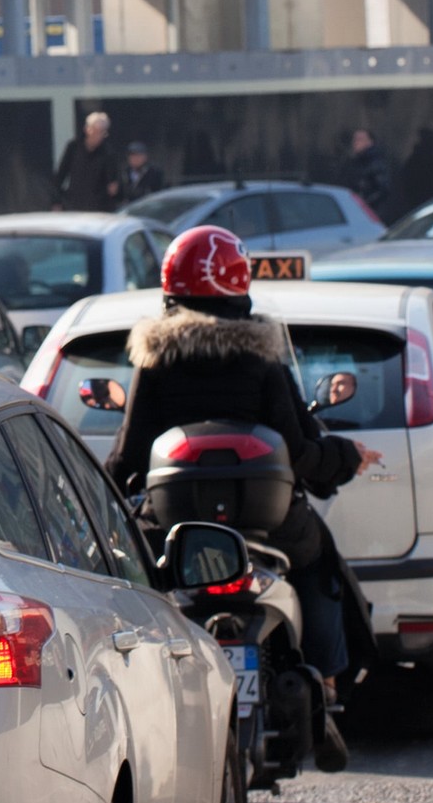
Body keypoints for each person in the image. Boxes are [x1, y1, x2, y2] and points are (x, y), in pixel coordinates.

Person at [105, 225, 383, 773]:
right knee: (321, 566)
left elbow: (129, 457)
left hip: (175, 530)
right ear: (240, 284)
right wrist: (347, 456)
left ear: (170, 289)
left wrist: (96, 507)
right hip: (272, 523)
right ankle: (326, 680)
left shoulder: (156, 359)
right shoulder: (262, 357)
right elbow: (302, 450)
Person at [53, 111, 120, 212]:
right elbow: (60, 175)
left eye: (103, 132)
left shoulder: (108, 152)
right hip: (75, 204)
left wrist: (115, 188)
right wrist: (56, 201)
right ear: (88, 130)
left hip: (99, 207)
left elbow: (114, 182)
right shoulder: (73, 147)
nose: (99, 136)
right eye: (96, 131)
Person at [344, 129, 392, 218]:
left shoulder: (375, 162)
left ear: (370, 142)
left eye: (360, 139)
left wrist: (363, 203)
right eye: (355, 139)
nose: (355, 143)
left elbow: (383, 189)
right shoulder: (356, 162)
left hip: (371, 214)